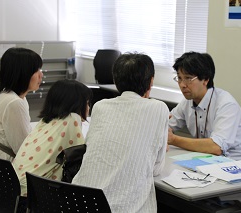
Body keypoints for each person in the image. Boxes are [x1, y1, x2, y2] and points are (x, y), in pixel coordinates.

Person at [72, 53, 169, 213]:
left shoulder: (100, 106)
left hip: (81, 203)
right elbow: (155, 169)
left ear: (116, 81)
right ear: (151, 81)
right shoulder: (159, 108)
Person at [168, 51, 241, 161]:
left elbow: (216, 147)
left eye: (188, 78)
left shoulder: (226, 104)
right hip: (210, 161)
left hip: (240, 164)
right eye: (179, 78)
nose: (182, 84)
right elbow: (167, 124)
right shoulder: (187, 101)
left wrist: (173, 140)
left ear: (206, 79)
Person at [12, 79, 92, 196]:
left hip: (15, 186)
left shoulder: (45, 121)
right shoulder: (72, 119)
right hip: (32, 194)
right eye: (87, 102)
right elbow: (82, 159)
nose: (88, 107)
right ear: (76, 104)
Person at [0, 47, 43, 161]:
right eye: (36, 70)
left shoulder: (7, 94)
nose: (41, 75)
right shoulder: (14, 103)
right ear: (22, 73)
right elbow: (23, 150)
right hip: (6, 170)